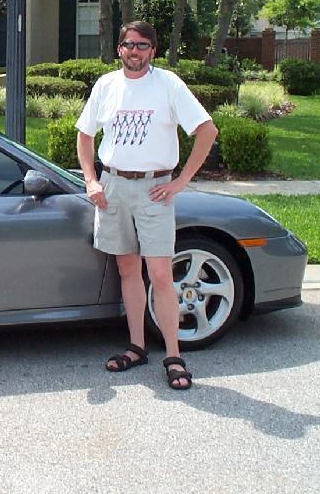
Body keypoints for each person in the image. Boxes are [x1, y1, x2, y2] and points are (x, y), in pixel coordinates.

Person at [75, 20, 218, 390]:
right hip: (113, 186)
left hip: (155, 189)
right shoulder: (106, 85)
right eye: (128, 44)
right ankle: (137, 347)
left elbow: (207, 131)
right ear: (119, 48)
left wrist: (180, 182)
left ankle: (174, 356)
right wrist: (91, 180)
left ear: (152, 50)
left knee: (160, 274)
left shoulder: (168, 84)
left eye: (142, 45)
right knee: (127, 269)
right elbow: (85, 135)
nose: (134, 51)